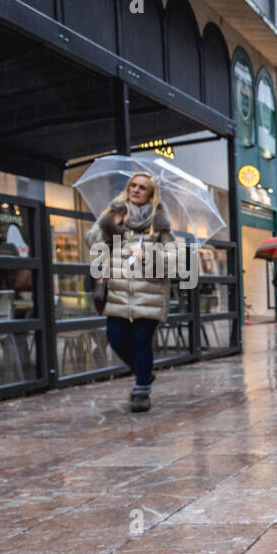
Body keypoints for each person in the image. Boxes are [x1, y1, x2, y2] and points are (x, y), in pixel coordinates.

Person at [88, 171, 176, 413]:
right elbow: (91, 242)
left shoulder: (159, 223)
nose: (136, 190)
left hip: (149, 294)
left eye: (142, 187)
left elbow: (175, 257)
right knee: (116, 339)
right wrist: (108, 224)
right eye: (133, 185)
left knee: (140, 341)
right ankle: (144, 373)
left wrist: (149, 255)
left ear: (151, 194)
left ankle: (141, 391)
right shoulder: (114, 215)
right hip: (117, 292)